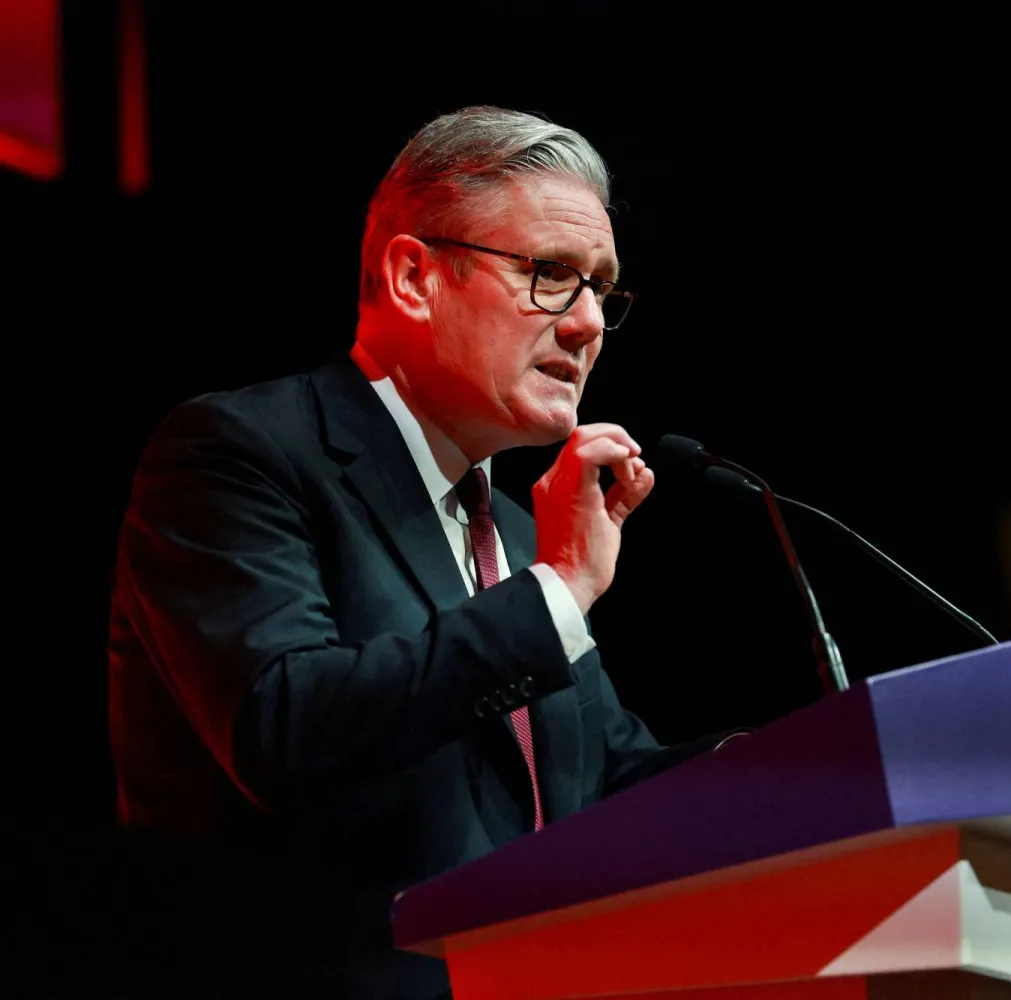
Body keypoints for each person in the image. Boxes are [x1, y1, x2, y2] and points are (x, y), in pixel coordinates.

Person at [107, 106, 742, 1000]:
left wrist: (808, 767)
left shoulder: (517, 534)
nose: (588, 323)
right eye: (550, 274)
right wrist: (559, 590)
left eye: (602, 288)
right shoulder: (240, 454)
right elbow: (284, 733)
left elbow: (602, 784)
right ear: (413, 277)